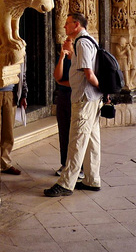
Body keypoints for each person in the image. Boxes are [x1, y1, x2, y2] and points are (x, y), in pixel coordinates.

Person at [44, 13, 102, 197]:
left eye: (67, 23)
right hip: (91, 98)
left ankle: (66, 183)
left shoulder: (82, 42)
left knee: (76, 141)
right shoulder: (89, 40)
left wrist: (103, 88)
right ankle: (92, 180)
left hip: (85, 99)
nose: (64, 27)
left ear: (76, 24)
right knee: (92, 140)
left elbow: (89, 74)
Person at [0, 59, 27, 175]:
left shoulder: (17, 47)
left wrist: (23, 95)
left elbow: (22, 73)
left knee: (8, 132)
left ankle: (5, 163)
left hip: (11, 93)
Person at [53, 41, 84, 179]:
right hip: (63, 97)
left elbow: (76, 82)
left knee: (76, 133)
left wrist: (62, 83)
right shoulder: (64, 59)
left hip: (76, 97)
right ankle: (65, 163)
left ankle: (80, 166)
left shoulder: (79, 60)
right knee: (64, 131)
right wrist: (61, 58)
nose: (65, 42)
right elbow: (57, 77)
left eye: (68, 41)